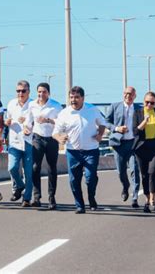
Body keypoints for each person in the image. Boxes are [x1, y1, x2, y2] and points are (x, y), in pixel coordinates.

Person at [52, 86, 107, 214]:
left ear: (83, 98)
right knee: (73, 180)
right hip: (73, 152)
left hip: (91, 150)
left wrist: (100, 135)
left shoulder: (92, 110)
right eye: (71, 97)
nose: (73, 100)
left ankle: (91, 198)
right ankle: (79, 205)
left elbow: (102, 123)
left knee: (90, 178)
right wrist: (60, 138)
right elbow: (55, 132)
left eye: (76, 97)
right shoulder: (64, 113)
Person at [24, 82, 62, 210]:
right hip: (37, 137)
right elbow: (29, 122)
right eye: (39, 92)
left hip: (51, 138)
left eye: (44, 92)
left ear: (49, 93)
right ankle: (37, 197)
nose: (41, 94)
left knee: (52, 168)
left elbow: (61, 123)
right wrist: (26, 128)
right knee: (35, 167)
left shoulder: (55, 106)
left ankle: (52, 197)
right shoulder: (32, 105)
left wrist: (48, 120)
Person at [105, 86, 141, 208]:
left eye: (131, 94)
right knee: (121, 172)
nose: (128, 96)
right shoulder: (114, 106)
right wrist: (116, 128)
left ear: (135, 96)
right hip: (119, 144)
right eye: (126, 94)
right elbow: (106, 122)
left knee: (135, 170)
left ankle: (135, 197)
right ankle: (125, 187)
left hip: (133, 144)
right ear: (123, 94)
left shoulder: (139, 109)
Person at [133, 91, 155, 213]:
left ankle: (152, 199)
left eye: (152, 103)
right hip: (141, 147)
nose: (149, 105)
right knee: (144, 174)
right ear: (143, 102)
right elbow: (135, 131)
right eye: (147, 102)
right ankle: (147, 199)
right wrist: (144, 121)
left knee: (153, 172)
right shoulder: (137, 113)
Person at [5, 80, 33, 207]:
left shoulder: (33, 105)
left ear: (28, 91)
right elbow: (7, 119)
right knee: (12, 168)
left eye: (23, 91)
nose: (20, 93)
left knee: (28, 172)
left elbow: (38, 122)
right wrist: (8, 122)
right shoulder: (11, 104)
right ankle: (20, 185)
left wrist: (29, 125)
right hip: (14, 141)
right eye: (18, 91)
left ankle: (27, 198)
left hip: (29, 142)